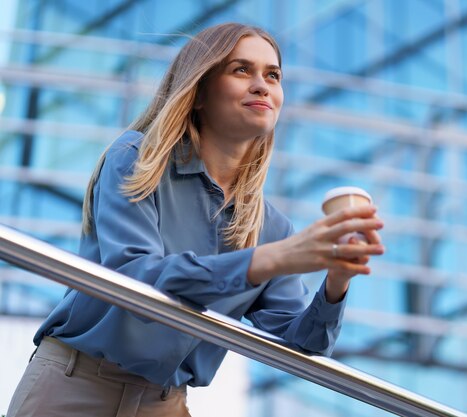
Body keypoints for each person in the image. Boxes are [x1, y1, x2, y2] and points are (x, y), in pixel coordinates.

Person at [6, 22, 385, 417]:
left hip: (165, 403)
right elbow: (135, 277)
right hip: (75, 385)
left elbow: (303, 346)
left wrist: (338, 279)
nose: (262, 85)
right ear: (200, 90)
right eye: (242, 70)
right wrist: (268, 261)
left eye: (272, 75)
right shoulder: (138, 159)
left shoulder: (270, 228)